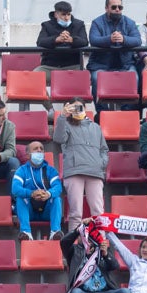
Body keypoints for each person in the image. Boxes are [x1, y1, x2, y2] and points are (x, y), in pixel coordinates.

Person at [60, 225, 133, 293]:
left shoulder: (102, 251)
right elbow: (64, 242)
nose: (86, 238)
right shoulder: (74, 251)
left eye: (89, 236)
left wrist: (106, 254)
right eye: (83, 235)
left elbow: (115, 266)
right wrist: (77, 230)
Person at [53, 97, 109, 233]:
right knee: (75, 213)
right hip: (74, 172)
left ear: (85, 108)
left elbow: (104, 149)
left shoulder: (96, 127)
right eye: (73, 107)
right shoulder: (65, 124)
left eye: (80, 107)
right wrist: (62, 116)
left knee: (98, 211)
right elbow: (58, 138)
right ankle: (73, 247)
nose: (77, 110)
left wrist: (101, 163)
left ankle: (101, 244)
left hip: (95, 172)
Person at [87, 0, 141, 94]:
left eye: (120, 7)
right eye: (113, 7)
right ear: (106, 8)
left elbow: (137, 40)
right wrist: (109, 39)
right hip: (101, 64)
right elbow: (93, 40)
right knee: (96, 79)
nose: (117, 9)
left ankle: (128, 109)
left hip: (126, 64)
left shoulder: (130, 22)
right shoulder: (97, 22)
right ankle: (101, 110)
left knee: (135, 79)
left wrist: (123, 39)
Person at [11, 141, 64, 241]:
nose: (39, 150)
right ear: (28, 155)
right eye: (36, 149)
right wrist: (31, 193)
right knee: (20, 198)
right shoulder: (21, 170)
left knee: (56, 198)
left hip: (46, 210)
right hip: (29, 210)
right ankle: (26, 233)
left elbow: (58, 187)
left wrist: (48, 194)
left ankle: (55, 232)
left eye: (41, 148)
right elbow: (15, 189)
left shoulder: (51, 170)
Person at [36, 0, 88, 74]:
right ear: (56, 14)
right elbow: (40, 42)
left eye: (68, 14)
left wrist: (72, 40)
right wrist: (56, 40)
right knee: (35, 76)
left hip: (74, 66)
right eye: (63, 15)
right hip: (49, 67)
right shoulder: (46, 25)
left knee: (86, 76)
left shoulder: (79, 24)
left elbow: (85, 42)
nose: (66, 18)